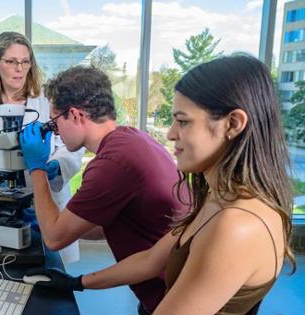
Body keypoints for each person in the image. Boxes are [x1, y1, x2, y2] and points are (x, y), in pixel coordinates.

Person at [27, 56, 297, 315]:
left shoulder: (237, 224)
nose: (170, 133)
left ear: (233, 123)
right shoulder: (218, 199)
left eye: (183, 121)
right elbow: (149, 261)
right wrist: (78, 282)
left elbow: (55, 237)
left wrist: (36, 168)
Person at [18, 65, 187, 314]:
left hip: (174, 300)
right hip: (168, 286)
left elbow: (54, 238)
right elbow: (115, 223)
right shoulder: (134, 139)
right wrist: (55, 223)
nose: (56, 134)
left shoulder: (110, 163)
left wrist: (37, 169)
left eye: (55, 124)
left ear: (75, 115)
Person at [0, 31, 84, 263]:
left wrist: (57, 166)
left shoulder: (48, 101)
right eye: (11, 61)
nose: (19, 68)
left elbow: (72, 145)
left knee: (50, 273)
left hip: (47, 199)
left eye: (25, 61)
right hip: (0, 206)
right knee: (3, 270)